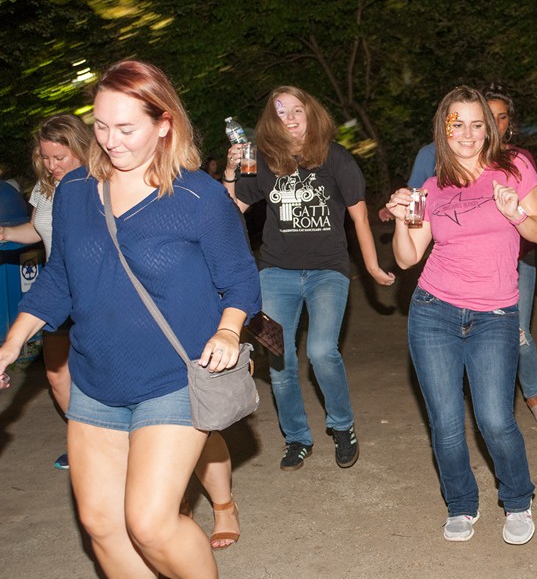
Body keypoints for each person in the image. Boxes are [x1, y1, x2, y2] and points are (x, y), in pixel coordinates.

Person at [0, 60, 261, 577]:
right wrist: (12, 343)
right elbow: (59, 279)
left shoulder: (198, 196)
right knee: (101, 525)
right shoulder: (75, 191)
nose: (110, 140)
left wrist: (229, 329)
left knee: (149, 522)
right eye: (100, 126)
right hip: (96, 378)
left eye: (126, 128)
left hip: (174, 377)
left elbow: (241, 279)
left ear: (164, 124)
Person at [386, 86, 537, 544]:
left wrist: (515, 212)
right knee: (445, 422)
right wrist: (403, 218)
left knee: (496, 419)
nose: (469, 133)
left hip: (494, 314)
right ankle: (461, 504)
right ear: (444, 128)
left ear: (490, 127)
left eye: (478, 123)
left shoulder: (514, 168)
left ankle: (517, 500)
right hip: (433, 311)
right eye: (457, 124)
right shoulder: (431, 188)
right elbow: (405, 259)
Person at [223, 86, 395, 471]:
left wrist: (369, 266)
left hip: (328, 272)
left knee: (321, 351)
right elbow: (231, 207)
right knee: (279, 362)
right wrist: (231, 171)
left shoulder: (336, 159)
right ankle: (297, 437)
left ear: (310, 113)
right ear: (272, 122)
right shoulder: (264, 162)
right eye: (280, 112)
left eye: (296, 109)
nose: (289, 117)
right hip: (274, 274)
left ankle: (342, 425)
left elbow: (359, 217)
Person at [0, 114, 90, 470]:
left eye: (59, 158)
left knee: (97, 370)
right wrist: (5, 234)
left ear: (81, 149)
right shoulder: (45, 187)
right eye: (46, 158)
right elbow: (38, 232)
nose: (51, 165)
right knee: (56, 374)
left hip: (92, 290)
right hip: (57, 289)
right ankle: (84, 440)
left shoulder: (100, 183)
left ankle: (117, 439)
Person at [483, 83, 537, 427]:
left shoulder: (519, 161)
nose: (495, 124)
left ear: (508, 123)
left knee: (518, 332)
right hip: (478, 261)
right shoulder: (461, 161)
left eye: (501, 117)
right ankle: (490, 395)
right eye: (488, 116)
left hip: (520, 260)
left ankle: (531, 392)